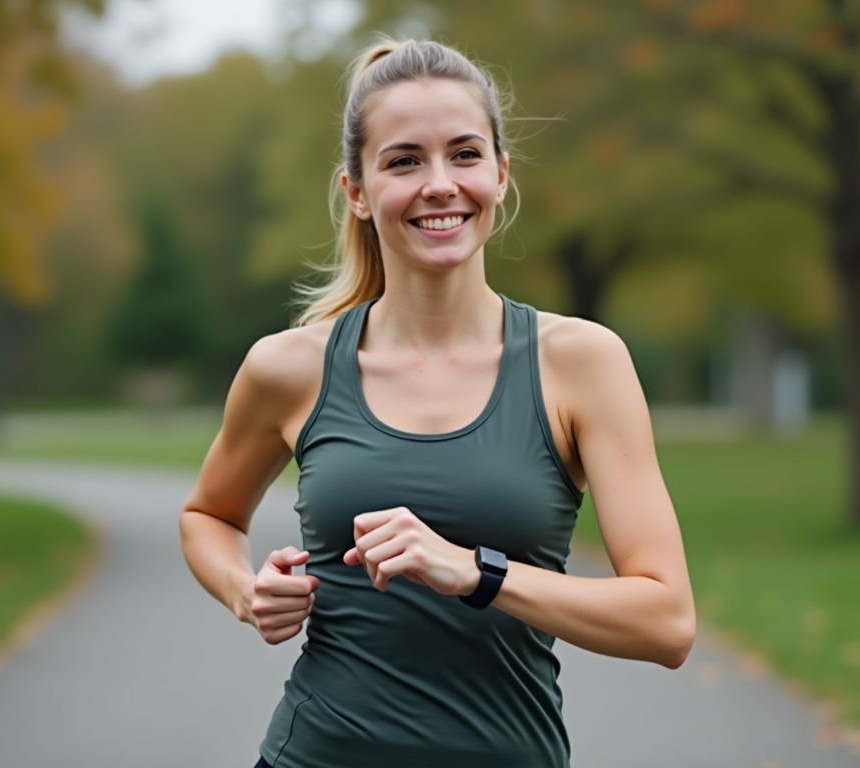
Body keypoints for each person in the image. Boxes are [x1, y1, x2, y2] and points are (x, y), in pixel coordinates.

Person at [180, 38, 696, 768]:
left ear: (501, 173)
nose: (439, 184)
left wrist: (476, 571)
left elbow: (666, 620)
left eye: (463, 154)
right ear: (356, 190)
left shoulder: (581, 364)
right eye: (403, 161)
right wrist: (244, 589)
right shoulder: (289, 367)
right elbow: (208, 515)